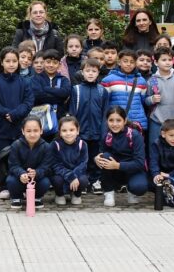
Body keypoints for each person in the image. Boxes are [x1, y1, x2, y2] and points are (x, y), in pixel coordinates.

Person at [0, 47, 35, 199]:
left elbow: (28, 101)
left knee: (22, 155)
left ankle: (24, 185)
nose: (11, 64)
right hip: (1, 124)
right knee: (3, 156)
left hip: (19, 124)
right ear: (2, 62)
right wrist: (5, 113)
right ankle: (4, 186)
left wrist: (14, 114)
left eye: (14, 61)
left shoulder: (24, 82)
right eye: (8, 61)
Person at [67, 59, 108, 193]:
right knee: (81, 157)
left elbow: (105, 113)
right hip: (81, 131)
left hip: (97, 130)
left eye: (94, 71)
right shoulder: (76, 90)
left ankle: (96, 180)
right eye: (88, 71)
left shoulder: (103, 91)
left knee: (96, 156)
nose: (90, 74)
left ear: (98, 73)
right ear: (82, 72)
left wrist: (103, 131)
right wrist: (74, 131)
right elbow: (72, 112)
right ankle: (82, 179)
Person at [94, 107, 148, 207]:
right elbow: (101, 154)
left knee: (140, 187)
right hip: (115, 172)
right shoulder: (106, 136)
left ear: (125, 120)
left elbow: (140, 163)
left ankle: (132, 191)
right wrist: (96, 159)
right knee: (104, 157)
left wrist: (118, 165)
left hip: (132, 169)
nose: (114, 124)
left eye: (118, 120)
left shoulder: (135, 135)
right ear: (107, 121)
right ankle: (109, 192)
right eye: (111, 120)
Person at [5, 115, 52, 209]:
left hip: (37, 179)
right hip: (20, 179)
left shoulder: (46, 147)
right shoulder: (16, 145)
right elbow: (13, 165)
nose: (32, 134)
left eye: (36, 130)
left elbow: (47, 166)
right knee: (11, 181)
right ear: (23, 131)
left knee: (46, 182)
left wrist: (37, 173)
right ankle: (16, 197)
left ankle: (37, 197)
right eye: (28, 131)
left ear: (41, 131)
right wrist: (21, 173)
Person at [101, 49, 150, 132]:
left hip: (137, 122)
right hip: (116, 122)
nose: (128, 64)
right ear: (119, 62)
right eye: (125, 61)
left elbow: (142, 101)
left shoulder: (141, 81)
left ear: (135, 64)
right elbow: (105, 102)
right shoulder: (108, 80)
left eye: (132, 62)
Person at [32, 49, 70, 141]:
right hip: (40, 120)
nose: (51, 65)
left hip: (59, 119)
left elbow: (65, 93)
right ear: (44, 63)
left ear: (59, 65)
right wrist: (58, 97)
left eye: (55, 62)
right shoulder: (36, 79)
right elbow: (38, 96)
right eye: (48, 62)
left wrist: (47, 89)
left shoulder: (64, 79)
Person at [51, 116, 89, 206]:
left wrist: (74, 176)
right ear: (60, 132)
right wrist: (70, 176)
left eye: (72, 130)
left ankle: (76, 195)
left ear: (77, 130)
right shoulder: (55, 145)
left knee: (84, 180)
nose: (68, 133)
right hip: (62, 175)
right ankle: (59, 194)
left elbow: (83, 164)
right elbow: (55, 165)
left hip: (77, 175)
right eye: (64, 131)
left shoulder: (82, 144)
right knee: (56, 180)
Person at [147, 47, 174, 147]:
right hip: (157, 121)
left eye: (170, 60)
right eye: (164, 60)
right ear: (156, 62)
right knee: (155, 147)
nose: (167, 62)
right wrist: (151, 99)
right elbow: (145, 100)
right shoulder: (152, 81)